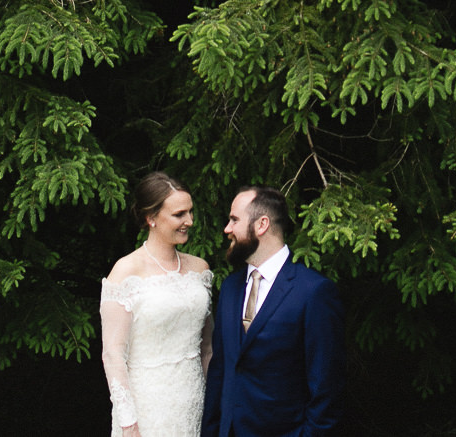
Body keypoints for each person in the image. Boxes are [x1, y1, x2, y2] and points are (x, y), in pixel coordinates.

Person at [201, 185, 342, 437]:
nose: (227, 229)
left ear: (261, 224)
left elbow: (326, 388)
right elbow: (221, 370)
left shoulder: (313, 292)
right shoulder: (232, 288)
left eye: (234, 220)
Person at [102, 172, 214, 437]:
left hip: (194, 399)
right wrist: (129, 422)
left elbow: (207, 346)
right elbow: (113, 354)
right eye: (179, 214)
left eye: (190, 212)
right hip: (148, 406)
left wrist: (216, 401)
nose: (189, 221)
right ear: (151, 218)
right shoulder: (126, 271)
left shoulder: (200, 269)